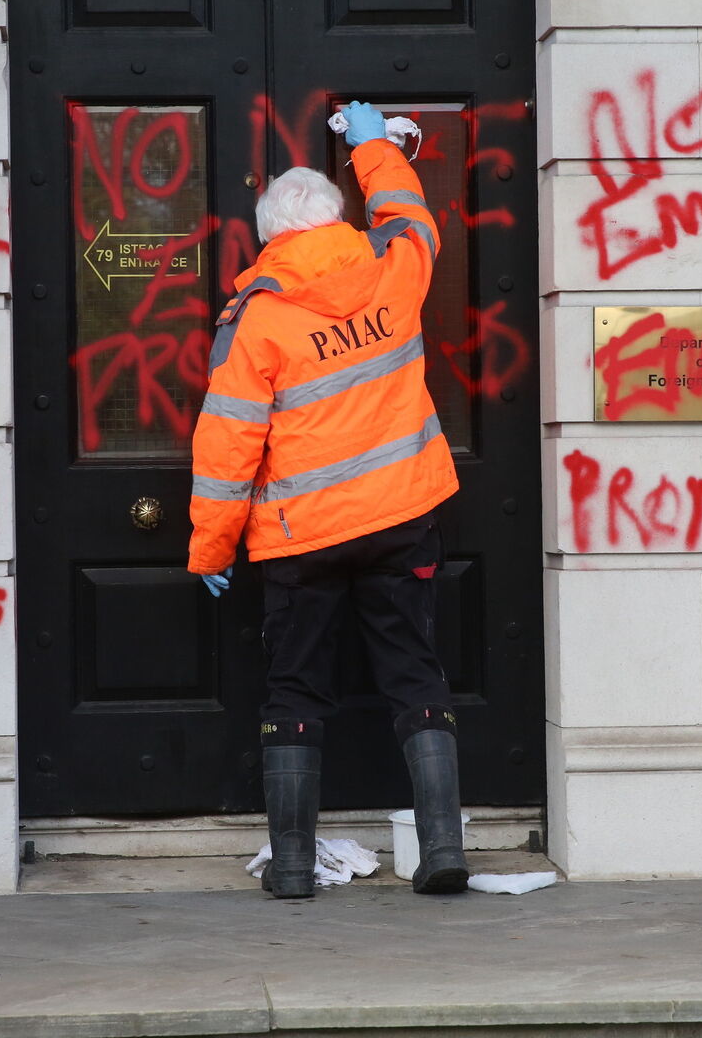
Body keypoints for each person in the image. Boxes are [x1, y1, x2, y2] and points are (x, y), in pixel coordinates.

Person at [187, 102, 466, 898]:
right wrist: (372, 145)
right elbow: (411, 213)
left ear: (273, 234)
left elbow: (227, 444)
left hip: (302, 538)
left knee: (296, 690)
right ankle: (441, 851)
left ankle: (296, 867)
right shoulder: (395, 266)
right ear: (339, 218)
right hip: (401, 517)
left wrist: (212, 547)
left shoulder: (259, 320)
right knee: (415, 674)